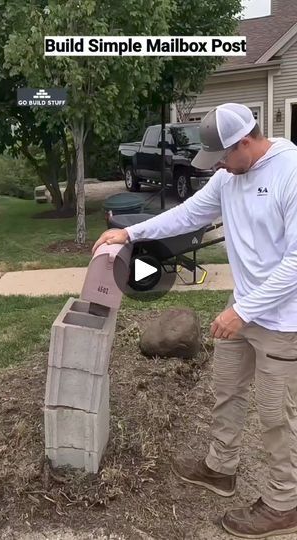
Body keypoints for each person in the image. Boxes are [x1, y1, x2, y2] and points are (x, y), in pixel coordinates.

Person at [92, 103, 297, 539]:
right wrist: (131, 232)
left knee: (278, 416)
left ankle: (285, 503)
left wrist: (243, 311)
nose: (217, 165)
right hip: (242, 306)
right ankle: (220, 468)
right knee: (227, 390)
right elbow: (187, 214)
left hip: (283, 319)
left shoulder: (291, 171)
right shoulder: (228, 177)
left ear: (246, 141)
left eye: (223, 155)